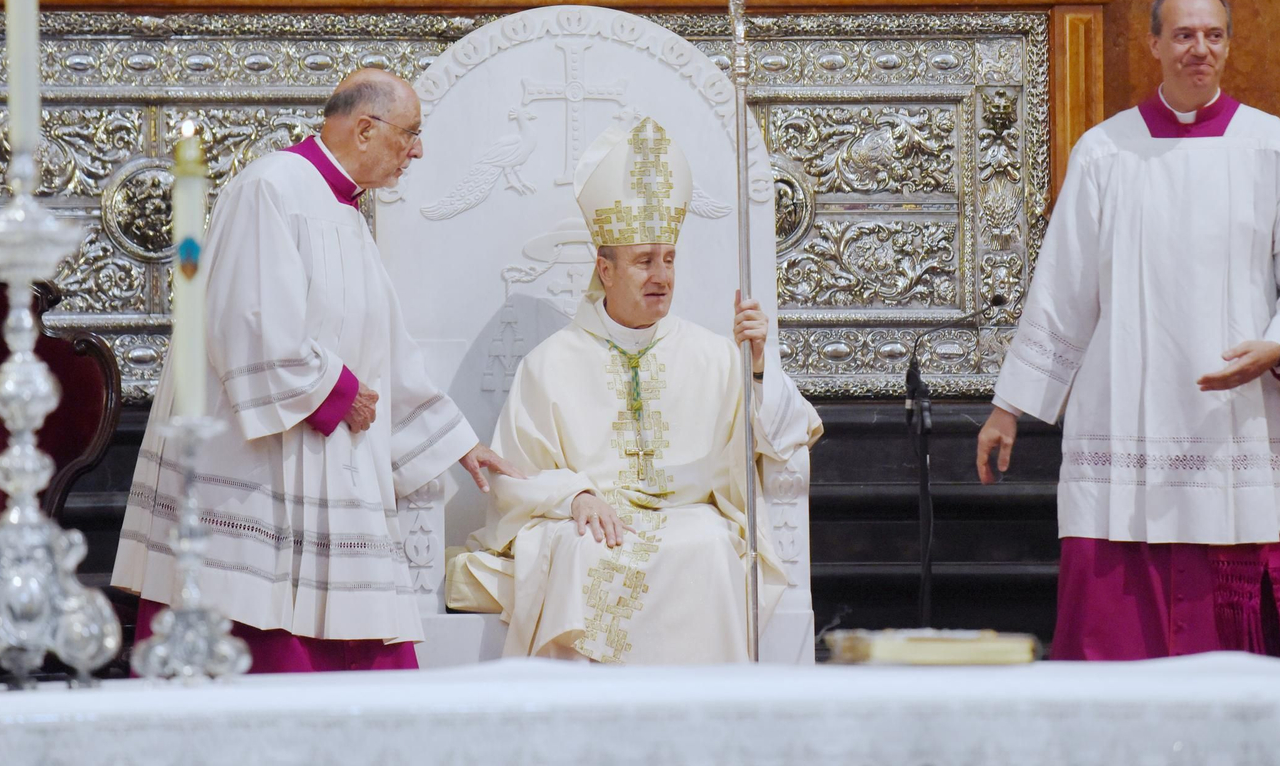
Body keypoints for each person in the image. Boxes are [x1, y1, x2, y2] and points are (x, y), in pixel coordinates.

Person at [976, 0, 1280, 661]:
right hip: (1128, 412)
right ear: (1154, 45)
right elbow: (1064, 291)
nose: (1199, 50)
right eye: (1183, 35)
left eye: (1212, 35)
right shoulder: (1106, 152)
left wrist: (1275, 347)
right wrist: (1009, 406)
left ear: (1229, 45)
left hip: (1234, 416)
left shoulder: (1274, 148)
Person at [114, 68, 519, 673]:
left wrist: (459, 442)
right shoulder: (270, 189)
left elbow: (384, 345)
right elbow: (246, 323)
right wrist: (339, 391)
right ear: (364, 129)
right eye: (410, 133)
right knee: (270, 632)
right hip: (262, 469)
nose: (419, 149)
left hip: (327, 460)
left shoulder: (346, 212)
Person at [447, 116, 822, 663]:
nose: (661, 276)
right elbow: (512, 480)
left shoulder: (715, 354)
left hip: (693, 520)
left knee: (713, 545)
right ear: (605, 268)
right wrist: (574, 495)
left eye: (669, 260)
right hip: (593, 525)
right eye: (645, 262)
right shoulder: (550, 365)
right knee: (582, 554)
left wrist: (759, 366)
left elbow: (788, 431)